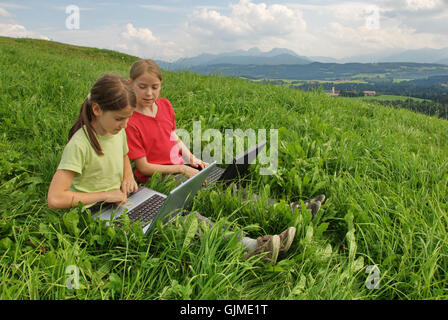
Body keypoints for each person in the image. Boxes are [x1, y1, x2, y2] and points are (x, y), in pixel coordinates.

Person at [125, 59, 326, 264]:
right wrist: (182, 169)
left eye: (154, 87)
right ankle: (252, 246)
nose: (149, 93)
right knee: (189, 210)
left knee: (226, 184)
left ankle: (286, 209)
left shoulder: (165, 105)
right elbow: (143, 168)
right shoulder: (130, 122)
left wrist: (191, 158)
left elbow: (173, 136)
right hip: (162, 178)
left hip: (182, 167)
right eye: (142, 87)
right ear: (130, 83)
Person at [47, 73, 138, 210]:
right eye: (119, 119)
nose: (125, 125)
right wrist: (105, 195)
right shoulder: (79, 145)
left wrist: (128, 176)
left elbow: (124, 155)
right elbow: (55, 199)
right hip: (90, 209)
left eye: (128, 118)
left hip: (118, 199)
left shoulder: (118, 132)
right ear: (96, 109)